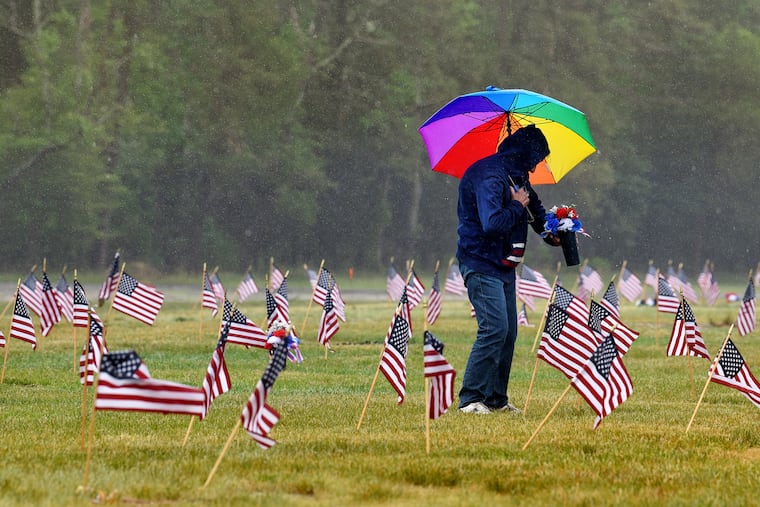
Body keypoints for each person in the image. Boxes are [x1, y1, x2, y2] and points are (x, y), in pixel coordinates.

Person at [456, 124, 560, 414]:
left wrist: (552, 230)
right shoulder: (489, 175)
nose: (537, 164)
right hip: (480, 260)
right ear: (523, 152)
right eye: (536, 158)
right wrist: (516, 206)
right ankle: (470, 399)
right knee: (494, 329)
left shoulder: (517, 175)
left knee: (508, 332)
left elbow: (535, 210)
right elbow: (492, 224)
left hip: (503, 264)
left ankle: (494, 399)